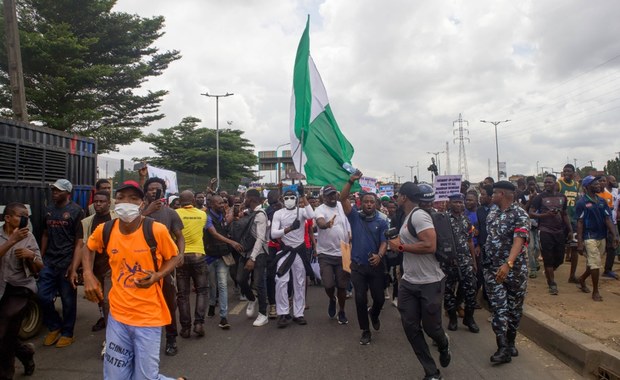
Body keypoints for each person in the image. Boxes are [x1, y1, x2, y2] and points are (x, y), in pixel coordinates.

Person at [82, 180, 184, 380]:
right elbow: (88, 247)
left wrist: (157, 275)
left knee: (144, 378)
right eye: (121, 198)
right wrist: (87, 274)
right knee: (115, 377)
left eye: (133, 198)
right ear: (115, 201)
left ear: (141, 203)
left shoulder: (156, 230)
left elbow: (174, 257)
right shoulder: (106, 229)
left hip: (148, 317)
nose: (125, 202)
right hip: (118, 317)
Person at [387, 182, 450, 380]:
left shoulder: (419, 215)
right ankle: (431, 371)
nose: (396, 198)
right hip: (409, 282)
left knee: (432, 328)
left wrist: (401, 248)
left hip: (430, 281)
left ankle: (443, 343)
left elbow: (430, 245)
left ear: (404, 197)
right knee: (411, 327)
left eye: (398, 195)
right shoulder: (407, 217)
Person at [483, 181, 530, 364]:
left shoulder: (520, 214)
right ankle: (502, 347)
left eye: (494, 193)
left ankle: (510, 342)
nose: (491, 196)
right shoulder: (492, 212)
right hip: (493, 270)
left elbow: (519, 240)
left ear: (502, 194)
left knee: (514, 308)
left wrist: (508, 264)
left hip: (515, 270)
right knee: (499, 307)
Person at [340, 171, 388, 345]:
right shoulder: (354, 217)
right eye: (366, 201)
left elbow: (384, 241)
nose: (368, 204)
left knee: (379, 299)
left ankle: (374, 314)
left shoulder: (382, 221)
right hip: (358, 266)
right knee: (360, 298)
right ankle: (365, 330)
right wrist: (350, 181)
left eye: (371, 202)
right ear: (361, 203)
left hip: (375, 266)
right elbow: (342, 198)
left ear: (376, 204)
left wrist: (379, 255)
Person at [38, 179, 84, 348]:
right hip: (49, 261)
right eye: (53, 190)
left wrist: (74, 266)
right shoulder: (49, 210)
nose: (54, 193)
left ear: (67, 193)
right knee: (42, 295)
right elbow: (45, 234)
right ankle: (54, 326)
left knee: (68, 300)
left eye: (58, 190)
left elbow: (79, 241)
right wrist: (40, 258)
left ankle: (67, 333)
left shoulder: (76, 211)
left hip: (66, 262)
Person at [142, 178, 185, 356]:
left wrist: (181, 253)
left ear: (164, 191)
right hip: (141, 266)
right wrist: (147, 211)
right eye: (151, 189)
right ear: (145, 192)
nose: (154, 192)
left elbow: (179, 237)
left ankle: (171, 338)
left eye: (158, 189)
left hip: (165, 266)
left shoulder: (171, 213)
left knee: (168, 302)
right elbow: (128, 227)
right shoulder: (138, 211)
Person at [0, 203, 42, 378]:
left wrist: (30, 255)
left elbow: (39, 266)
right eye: (21, 215)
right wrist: (12, 241)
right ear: (8, 218)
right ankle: (25, 353)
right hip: (1, 287)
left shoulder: (28, 237)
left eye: (27, 216)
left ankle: (6, 374)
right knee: (7, 335)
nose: (25, 219)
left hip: (20, 289)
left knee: (3, 330)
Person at [70, 191, 117, 334]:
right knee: (100, 299)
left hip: (112, 267)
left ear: (109, 203)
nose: (98, 204)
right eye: (96, 201)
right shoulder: (87, 222)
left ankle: (111, 337)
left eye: (102, 201)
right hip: (96, 267)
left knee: (109, 301)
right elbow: (83, 246)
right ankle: (107, 321)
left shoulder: (116, 218)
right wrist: (78, 269)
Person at [271, 185, 315, 328]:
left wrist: (303, 195)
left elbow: (311, 215)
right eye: (287, 198)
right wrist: (289, 228)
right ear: (283, 200)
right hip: (285, 251)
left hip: (300, 252)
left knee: (300, 282)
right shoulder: (278, 213)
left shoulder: (301, 211)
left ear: (296, 199)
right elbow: (273, 234)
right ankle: (283, 313)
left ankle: (298, 313)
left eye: (292, 197)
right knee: (281, 281)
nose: (289, 200)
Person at [575, 176, 620, 302]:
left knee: (594, 263)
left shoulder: (602, 201)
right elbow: (580, 223)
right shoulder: (582, 203)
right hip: (589, 237)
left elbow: (608, 219)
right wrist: (579, 242)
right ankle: (595, 291)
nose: (598, 185)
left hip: (602, 236)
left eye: (598, 183)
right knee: (595, 264)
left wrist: (615, 235)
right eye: (594, 183)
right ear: (587, 187)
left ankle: (582, 279)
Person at [204, 195, 244, 329]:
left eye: (223, 202)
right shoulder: (207, 217)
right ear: (211, 205)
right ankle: (211, 304)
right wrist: (231, 242)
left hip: (222, 256)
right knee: (212, 285)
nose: (222, 205)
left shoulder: (224, 217)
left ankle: (223, 316)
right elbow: (214, 234)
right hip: (210, 256)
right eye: (219, 203)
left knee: (222, 284)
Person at [529, 174, 572, 295]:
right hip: (544, 231)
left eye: (549, 182)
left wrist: (570, 230)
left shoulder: (562, 197)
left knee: (559, 259)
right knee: (548, 258)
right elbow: (531, 213)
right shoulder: (539, 198)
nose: (547, 184)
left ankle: (549, 272)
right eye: (545, 182)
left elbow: (564, 214)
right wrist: (544, 215)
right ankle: (552, 284)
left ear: (555, 183)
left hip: (559, 231)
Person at [314, 185, 350, 325]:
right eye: (329, 195)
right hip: (325, 253)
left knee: (342, 286)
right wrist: (326, 224)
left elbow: (349, 221)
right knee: (328, 284)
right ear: (324, 197)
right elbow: (320, 222)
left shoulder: (342, 206)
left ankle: (341, 310)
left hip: (344, 251)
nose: (332, 197)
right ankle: (331, 299)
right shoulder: (320, 209)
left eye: (334, 194)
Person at [444, 193, 479, 333]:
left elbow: (470, 241)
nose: (459, 205)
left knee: (471, 290)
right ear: (450, 203)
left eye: (460, 202)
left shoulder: (466, 220)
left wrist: (473, 261)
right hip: (448, 263)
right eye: (456, 202)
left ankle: (469, 318)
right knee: (447, 293)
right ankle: (452, 318)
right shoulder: (443, 219)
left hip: (465, 261)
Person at [175, 191, 208, 338]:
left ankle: (186, 328)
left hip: (181, 257)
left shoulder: (174, 214)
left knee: (183, 294)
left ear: (180, 201)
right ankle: (199, 323)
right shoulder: (202, 215)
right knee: (201, 291)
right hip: (198, 256)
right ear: (193, 200)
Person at [235, 189, 270, 327]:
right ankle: (251, 298)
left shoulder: (261, 214)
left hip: (258, 253)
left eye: (245, 198)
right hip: (246, 252)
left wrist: (253, 258)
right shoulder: (248, 213)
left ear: (251, 199)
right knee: (240, 279)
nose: (244, 200)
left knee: (259, 283)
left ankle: (263, 314)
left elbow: (261, 237)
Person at [558, 164, 580, 283]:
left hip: (574, 221)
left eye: (569, 171)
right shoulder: (559, 184)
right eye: (564, 171)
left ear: (573, 173)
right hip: (561, 221)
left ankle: (572, 275)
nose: (566, 173)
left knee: (574, 247)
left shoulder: (576, 185)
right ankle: (552, 267)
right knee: (559, 247)